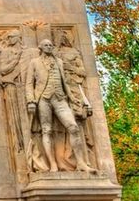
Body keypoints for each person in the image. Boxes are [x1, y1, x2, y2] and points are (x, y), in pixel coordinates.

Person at [25, 39, 94, 173]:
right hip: (43, 99)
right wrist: (31, 101)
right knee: (47, 130)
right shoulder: (34, 63)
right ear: (40, 47)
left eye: (51, 45)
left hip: (60, 98)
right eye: (46, 45)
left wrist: (75, 98)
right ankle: (53, 165)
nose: (49, 47)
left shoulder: (59, 62)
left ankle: (81, 163)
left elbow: (67, 82)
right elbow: (29, 84)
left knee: (73, 127)